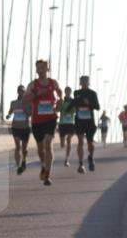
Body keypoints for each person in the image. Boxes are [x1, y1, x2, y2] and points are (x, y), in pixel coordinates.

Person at [23, 59, 62, 187]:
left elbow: (60, 93)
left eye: (43, 68)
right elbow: (25, 100)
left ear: (47, 69)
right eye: (38, 68)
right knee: (40, 148)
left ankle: (47, 175)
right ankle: (43, 165)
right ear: (36, 70)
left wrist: (60, 102)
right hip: (37, 120)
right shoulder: (33, 85)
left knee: (48, 143)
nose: (40, 70)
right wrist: (36, 93)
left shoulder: (53, 82)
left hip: (50, 118)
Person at [72, 75, 101, 173]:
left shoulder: (92, 94)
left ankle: (91, 157)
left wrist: (89, 103)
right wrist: (67, 110)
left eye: (86, 81)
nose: (84, 83)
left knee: (90, 143)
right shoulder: (76, 93)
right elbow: (74, 103)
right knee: (80, 141)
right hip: (79, 121)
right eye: (82, 81)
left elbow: (97, 107)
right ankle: (81, 164)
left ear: (89, 83)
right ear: (80, 83)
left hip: (89, 121)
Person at [6, 85, 31, 175]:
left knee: (24, 147)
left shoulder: (28, 103)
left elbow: (30, 113)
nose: (21, 92)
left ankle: (24, 160)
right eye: (20, 91)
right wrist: (8, 115)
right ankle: (17, 165)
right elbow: (11, 110)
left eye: (23, 91)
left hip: (25, 127)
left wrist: (26, 111)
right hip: (15, 127)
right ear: (17, 92)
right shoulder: (13, 102)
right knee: (17, 146)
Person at [58, 86, 76, 166]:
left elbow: (76, 110)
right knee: (62, 144)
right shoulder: (61, 101)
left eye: (69, 91)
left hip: (70, 123)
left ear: (70, 92)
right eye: (66, 91)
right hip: (62, 123)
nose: (68, 92)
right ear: (65, 92)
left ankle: (66, 159)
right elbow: (58, 109)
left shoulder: (73, 101)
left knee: (69, 140)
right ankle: (63, 146)